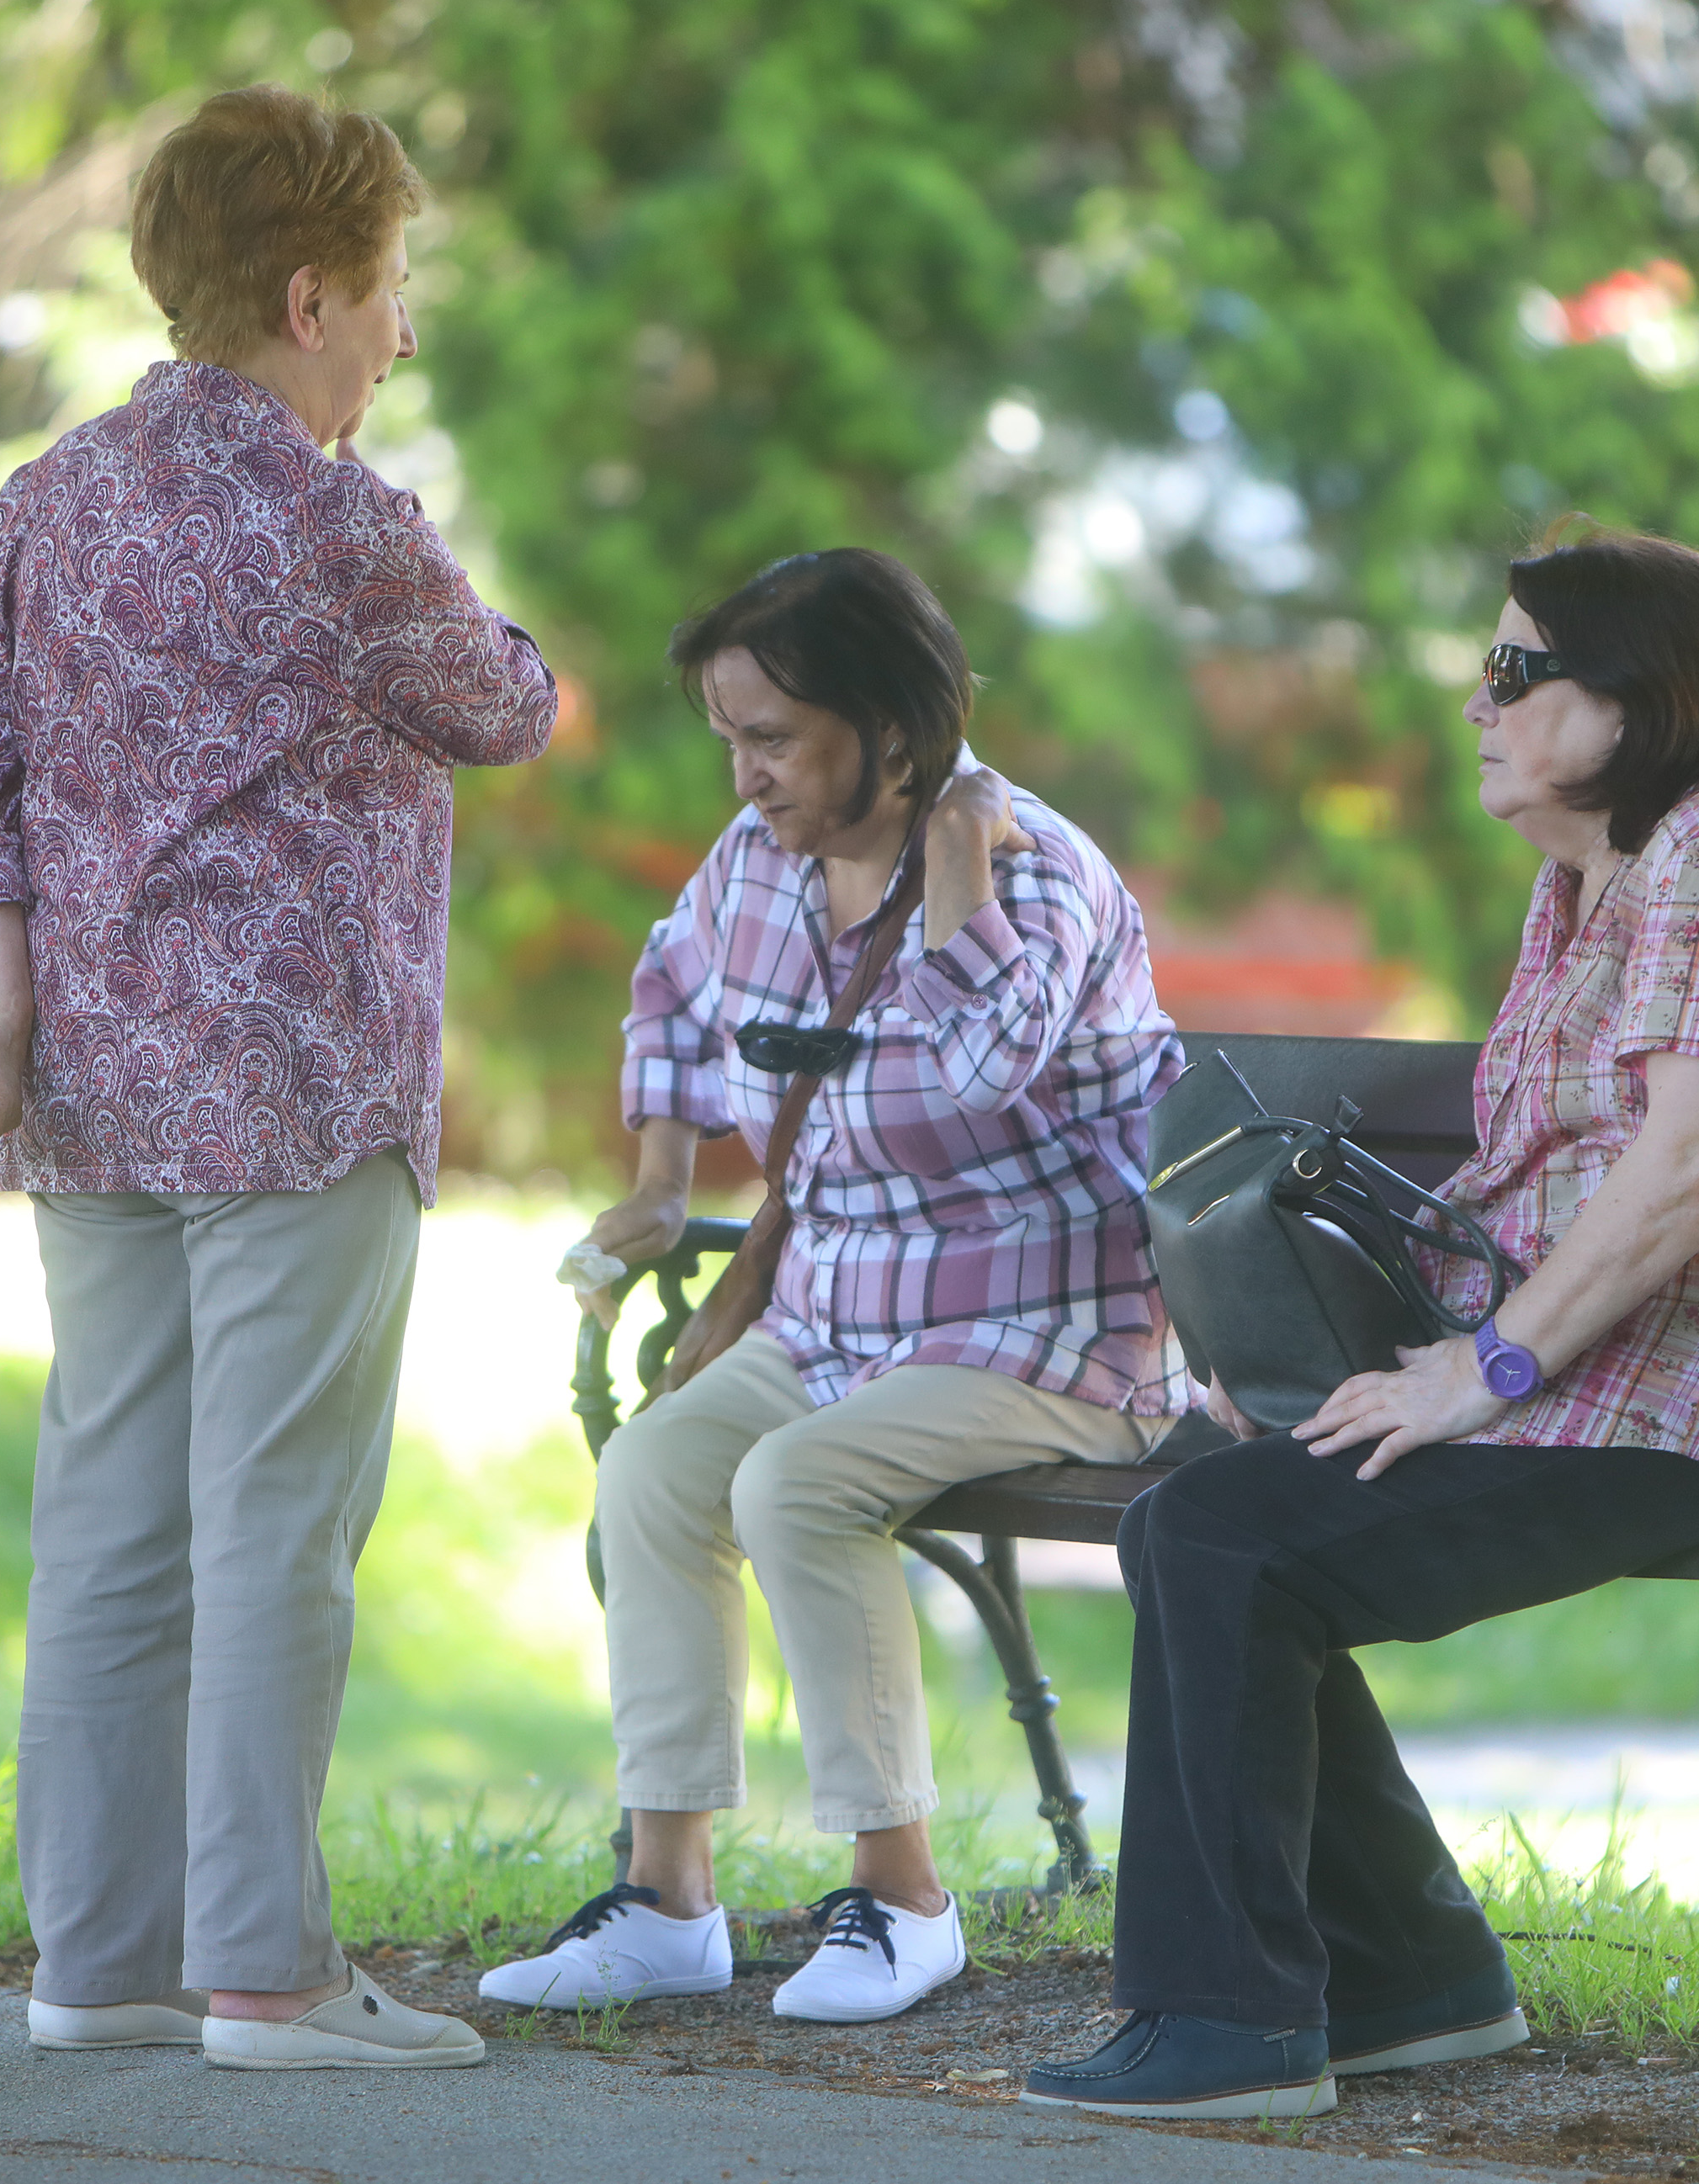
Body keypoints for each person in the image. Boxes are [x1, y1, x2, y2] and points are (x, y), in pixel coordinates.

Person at [1022, 529, 1699, 2119]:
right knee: (1201, 1506)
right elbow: (1543, 1194)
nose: (1476, 704)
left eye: (1515, 670)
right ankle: (1415, 1981)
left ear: (1640, 698)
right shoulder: (1592, 885)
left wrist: (1489, 1364)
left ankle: (1232, 2023)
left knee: (1236, 1539)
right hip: (1594, 1386)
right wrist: (1349, 1370)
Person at [0, 85, 555, 2072]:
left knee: (105, 1520)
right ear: (304, 295)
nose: (401, 333)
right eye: (389, 292)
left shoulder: (47, 503)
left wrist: (4, 1026)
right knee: (270, 1523)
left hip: (87, 1100)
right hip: (300, 1095)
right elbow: (510, 708)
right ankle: (266, 1972)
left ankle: (94, 1967)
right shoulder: (339, 524)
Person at [477, 549, 1187, 2025]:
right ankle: (669, 1896)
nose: (744, 775)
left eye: (774, 740)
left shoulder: (1035, 865)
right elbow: (675, 984)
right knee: (660, 1471)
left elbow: (993, 1071)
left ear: (893, 724)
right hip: (840, 1315)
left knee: (796, 1482)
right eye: (729, 737)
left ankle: (902, 1896)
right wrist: (666, 1180)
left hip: (1048, 1331)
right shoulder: (758, 863)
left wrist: (961, 874)